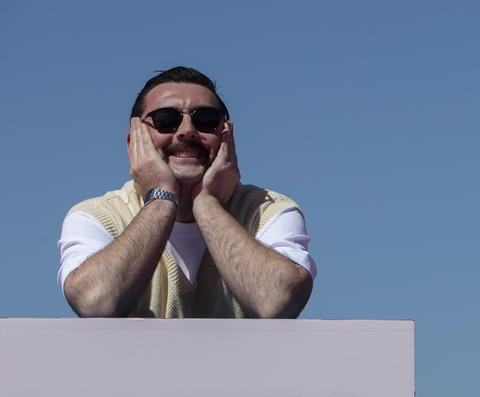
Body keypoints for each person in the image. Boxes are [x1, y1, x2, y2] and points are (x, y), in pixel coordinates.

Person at [58, 67, 315, 318]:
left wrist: (207, 204)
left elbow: (278, 301)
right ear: (133, 141)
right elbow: (94, 302)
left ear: (227, 136)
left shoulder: (269, 210)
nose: (187, 131)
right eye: (166, 121)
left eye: (206, 120)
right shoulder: (97, 215)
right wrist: (161, 197)